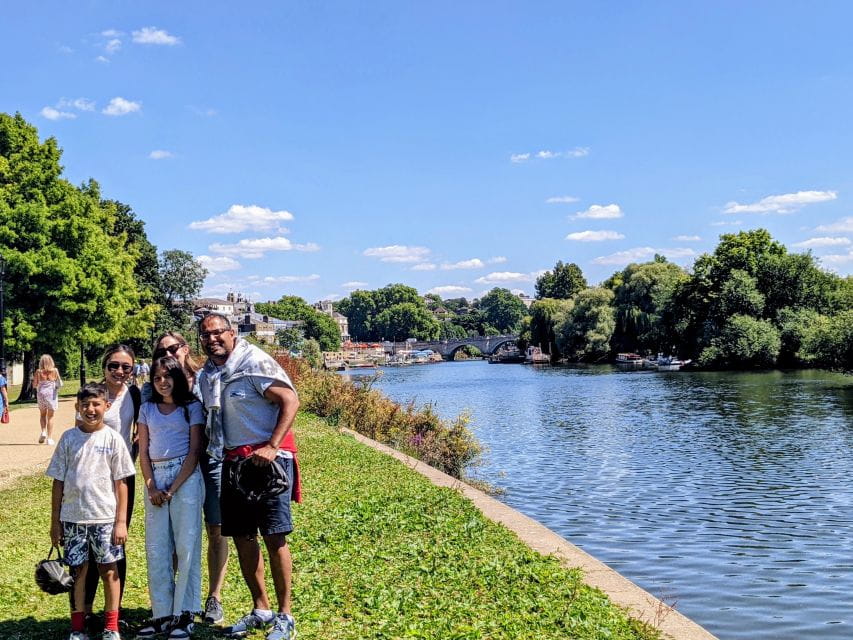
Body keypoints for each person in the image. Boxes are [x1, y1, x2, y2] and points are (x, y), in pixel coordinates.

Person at [197, 313, 301, 640]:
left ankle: (285, 616)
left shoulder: (254, 362)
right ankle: (261, 608)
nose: (212, 339)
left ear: (232, 333)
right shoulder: (211, 374)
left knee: (274, 537)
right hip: (233, 461)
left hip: (267, 462)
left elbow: (290, 400)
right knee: (243, 538)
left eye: (217, 333)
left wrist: (272, 445)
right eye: (205, 335)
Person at [150, 331, 229, 625]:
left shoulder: (207, 377)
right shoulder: (157, 384)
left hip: (211, 460)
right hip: (173, 467)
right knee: (174, 533)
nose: (168, 355)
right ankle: (175, 599)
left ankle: (213, 597)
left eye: (172, 348)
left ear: (185, 348)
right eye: (161, 352)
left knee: (215, 528)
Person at [47, 383, 136, 640]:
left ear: (106, 407)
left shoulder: (113, 439)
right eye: (85, 404)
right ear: (77, 407)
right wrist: (56, 522)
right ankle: (78, 627)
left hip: (105, 519)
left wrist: (121, 522)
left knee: (109, 571)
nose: (91, 409)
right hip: (73, 519)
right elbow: (58, 481)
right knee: (78, 573)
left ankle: (111, 626)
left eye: (96, 404)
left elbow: (121, 483)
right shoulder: (68, 438)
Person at [136, 356, 205, 639]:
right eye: (157, 378)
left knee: (186, 545)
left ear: (178, 377)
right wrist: (152, 486)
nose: (163, 382)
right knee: (157, 547)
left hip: (184, 478)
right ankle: (162, 613)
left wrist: (173, 488)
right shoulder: (147, 409)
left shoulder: (191, 408)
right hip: (155, 476)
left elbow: (194, 450)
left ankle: (184, 613)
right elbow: (142, 451)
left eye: (168, 376)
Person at [81, 345, 142, 632]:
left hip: (120, 480)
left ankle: (113, 613)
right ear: (104, 366)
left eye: (126, 367)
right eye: (113, 365)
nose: (119, 371)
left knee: (116, 542)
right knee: (88, 545)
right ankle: (87, 610)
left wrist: (131, 460)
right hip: (91, 478)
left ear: (132, 370)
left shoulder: (135, 396)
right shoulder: (92, 395)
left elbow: (141, 432)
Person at [34, 354, 63, 445]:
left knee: (42, 415)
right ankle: (49, 438)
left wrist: (38, 386)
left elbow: (35, 384)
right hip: (51, 395)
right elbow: (59, 382)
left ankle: (43, 431)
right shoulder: (55, 370)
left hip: (41, 394)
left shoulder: (38, 372)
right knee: (50, 417)